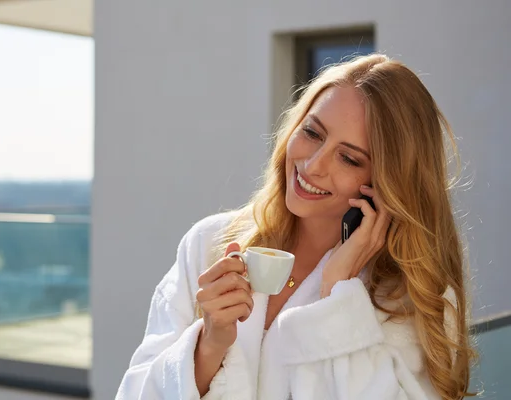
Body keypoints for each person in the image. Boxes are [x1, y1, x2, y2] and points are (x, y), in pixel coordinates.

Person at [115, 54, 475, 400]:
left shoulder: (411, 298)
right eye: (313, 133)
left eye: (349, 158)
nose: (313, 165)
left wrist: (339, 297)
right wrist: (208, 346)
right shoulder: (209, 244)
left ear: (387, 183)